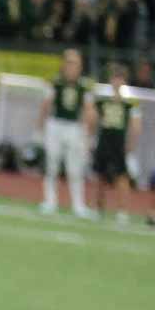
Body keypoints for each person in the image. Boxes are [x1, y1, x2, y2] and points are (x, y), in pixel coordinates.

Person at [40, 49, 95, 218]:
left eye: (75, 64)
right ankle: (50, 201)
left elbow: (89, 110)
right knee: (52, 164)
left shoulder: (84, 86)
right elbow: (46, 105)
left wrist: (88, 133)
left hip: (74, 127)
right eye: (69, 63)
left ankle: (78, 204)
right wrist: (40, 128)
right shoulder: (55, 82)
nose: (72, 67)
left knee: (75, 168)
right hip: (56, 124)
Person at [90, 65, 139, 219]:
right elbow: (93, 118)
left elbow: (135, 125)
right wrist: (91, 137)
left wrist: (131, 142)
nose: (117, 82)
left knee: (121, 176)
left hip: (119, 142)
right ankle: (98, 207)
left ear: (124, 81)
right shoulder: (103, 99)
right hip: (104, 139)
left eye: (120, 78)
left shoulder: (129, 102)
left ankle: (122, 210)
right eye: (115, 78)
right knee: (100, 175)